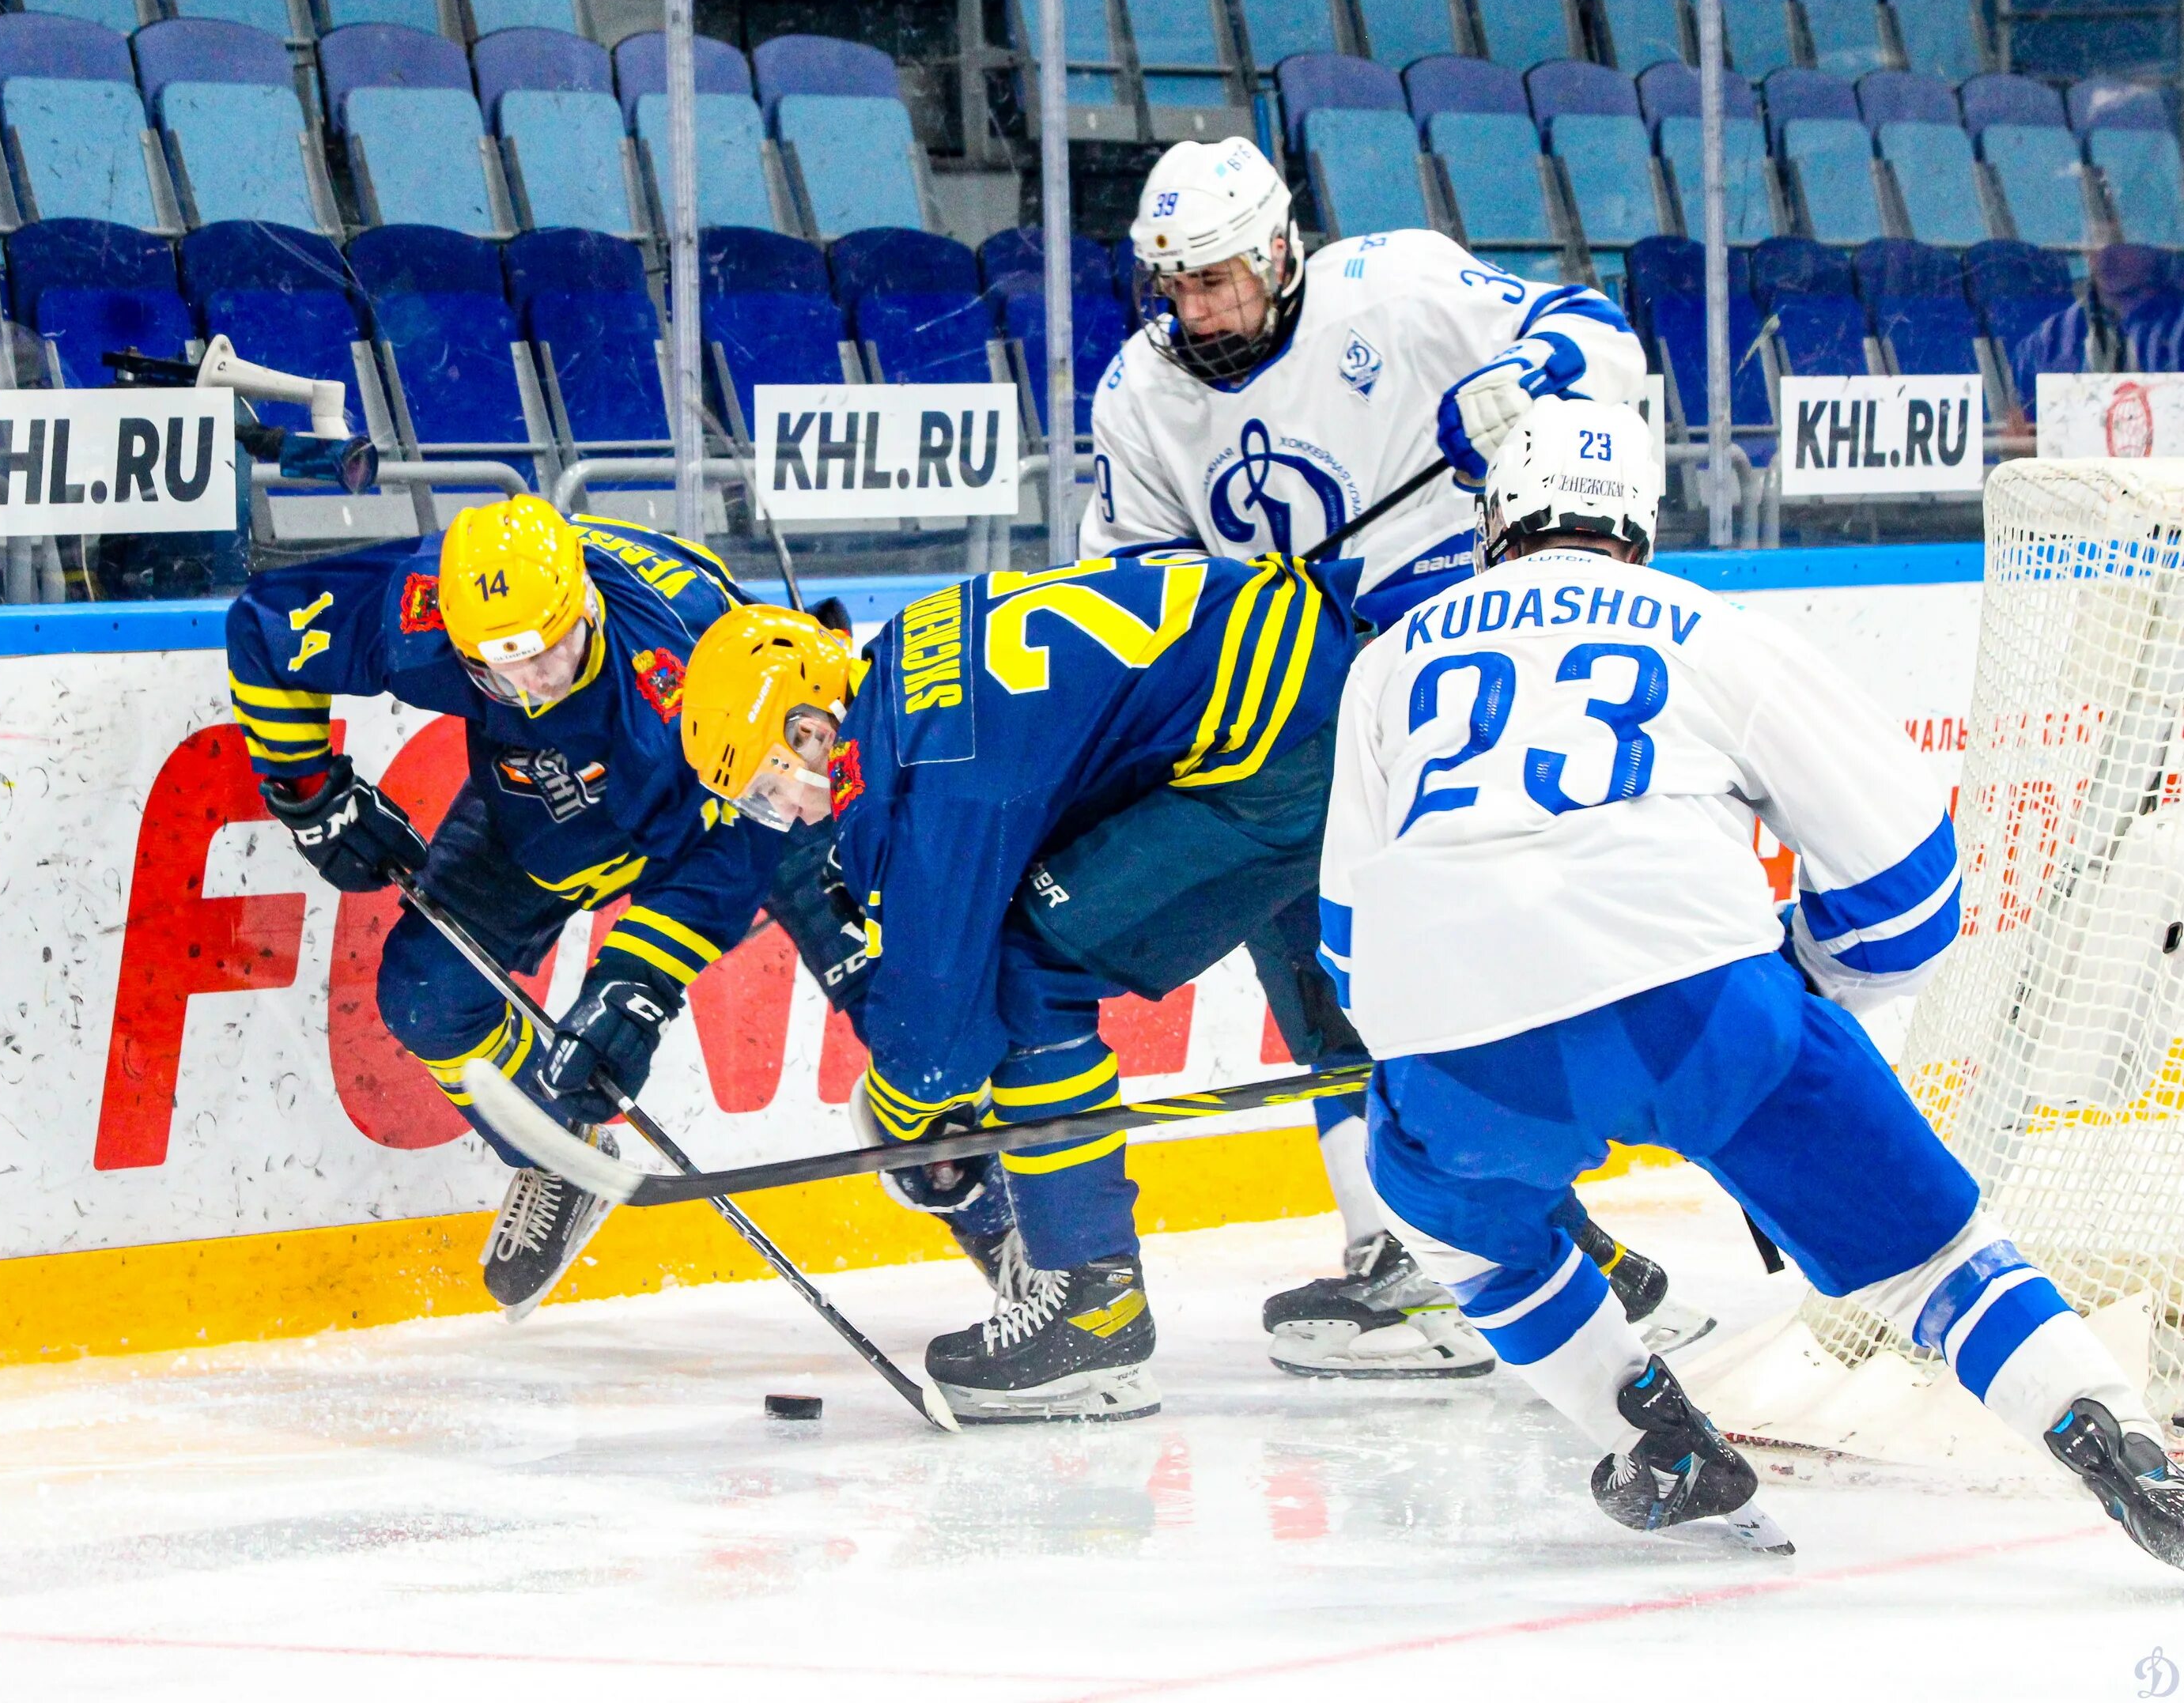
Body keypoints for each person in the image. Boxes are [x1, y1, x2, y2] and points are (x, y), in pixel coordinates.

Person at [1318, 395, 2184, 1563]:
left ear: (1495, 516)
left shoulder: (1386, 664)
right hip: (1703, 1003)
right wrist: (1807, 992)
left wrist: (1444, 1062)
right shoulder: (1709, 630)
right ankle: (2115, 1438)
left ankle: (1658, 1440)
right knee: (1935, 1262)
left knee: (1458, 1222)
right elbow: (1913, 887)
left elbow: (1347, 943)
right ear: (1640, 520)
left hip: (1464, 1045)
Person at [1086, 135, 1696, 1363]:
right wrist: (1243, 610)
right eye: (1176, 286)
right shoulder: (1138, 393)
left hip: (1451, 679)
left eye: (1215, 278)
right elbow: (1133, 583)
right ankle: (1464, 1243)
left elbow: (1606, 344)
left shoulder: (1402, 287)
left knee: (1438, 964)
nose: (1195, 309)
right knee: (1305, 953)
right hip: (1293, 703)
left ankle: (1475, 1248)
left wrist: (1520, 378)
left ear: (1275, 248)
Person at [672, 549, 1502, 1422]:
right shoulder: (914, 664)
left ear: (810, 726)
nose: (791, 815)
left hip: (1286, 752)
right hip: (1348, 681)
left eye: (774, 785)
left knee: (1031, 962)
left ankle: (1090, 1312)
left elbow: (939, 1037)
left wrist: (901, 1114)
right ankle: (1506, 1249)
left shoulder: (920, 762)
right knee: (1333, 980)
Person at [226, 496, 787, 1318]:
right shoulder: (428, 610)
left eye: (547, 659)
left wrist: (635, 986)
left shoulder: (673, 674)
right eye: (496, 668)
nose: (527, 683)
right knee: (425, 992)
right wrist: (312, 795)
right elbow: (266, 625)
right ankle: (555, 1144)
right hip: (532, 793)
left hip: (717, 781)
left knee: (901, 997)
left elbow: (737, 846)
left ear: (584, 606)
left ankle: (1002, 1201)